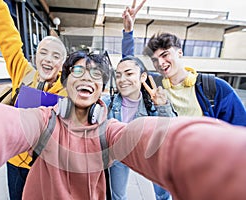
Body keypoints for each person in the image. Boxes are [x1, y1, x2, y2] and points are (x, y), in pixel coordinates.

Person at [0, 51, 246, 200]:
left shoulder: (110, 129)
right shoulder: (42, 119)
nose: (86, 77)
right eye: (77, 70)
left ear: (103, 88)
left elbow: (153, 139)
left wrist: (224, 162)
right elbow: (0, 125)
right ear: (65, 83)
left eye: (95, 74)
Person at [0, 0, 68, 199]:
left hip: (44, 167)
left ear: (63, 63)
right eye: (43, 53)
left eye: (55, 56)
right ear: (35, 56)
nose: (48, 59)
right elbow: (8, 38)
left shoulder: (66, 92)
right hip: (14, 162)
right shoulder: (22, 73)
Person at [121, 2, 246, 126]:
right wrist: (128, 31)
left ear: (180, 52)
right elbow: (130, 66)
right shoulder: (154, 83)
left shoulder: (214, 87)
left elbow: (240, 129)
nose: (160, 63)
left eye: (165, 55)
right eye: (154, 60)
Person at [119, 1, 173, 199]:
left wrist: (162, 105)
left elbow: (169, 124)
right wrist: (128, 31)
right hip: (122, 148)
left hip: (148, 149)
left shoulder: (153, 93)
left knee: (163, 191)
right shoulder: (120, 95)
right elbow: (128, 61)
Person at [102, 55, 175, 200]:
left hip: (149, 153)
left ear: (143, 77)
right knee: (116, 196)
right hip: (119, 154)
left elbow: (171, 132)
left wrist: (162, 107)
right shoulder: (107, 103)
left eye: (129, 74)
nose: (122, 80)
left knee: (163, 195)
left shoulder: (156, 102)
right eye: (118, 75)